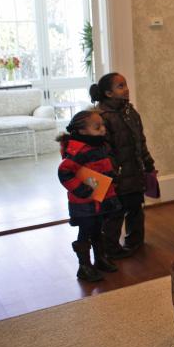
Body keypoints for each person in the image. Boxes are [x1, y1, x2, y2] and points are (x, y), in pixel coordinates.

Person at [90, 72, 156, 258]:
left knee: (135, 207)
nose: (126, 89)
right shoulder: (102, 117)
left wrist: (148, 165)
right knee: (115, 212)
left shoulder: (130, 112)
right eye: (120, 86)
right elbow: (105, 151)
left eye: (125, 84)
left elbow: (140, 142)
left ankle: (135, 241)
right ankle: (110, 249)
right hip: (116, 176)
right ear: (108, 93)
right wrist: (112, 175)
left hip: (134, 172)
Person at [57, 110, 122, 282]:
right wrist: (82, 190)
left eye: (102, 125)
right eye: (97, 127)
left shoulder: (99, 145)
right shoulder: (78, 150)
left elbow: (102, 166)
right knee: (85, 232)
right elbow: (64, 172)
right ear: (82, 131)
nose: (102, 129)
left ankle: (100, 259)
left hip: (99, 199)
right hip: (84, 202)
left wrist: (112, 176)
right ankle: (84, 266)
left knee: (97, 230)